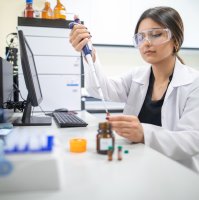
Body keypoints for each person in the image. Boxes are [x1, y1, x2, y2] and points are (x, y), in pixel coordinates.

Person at [69, 6, 199, 172]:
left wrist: (144, 133)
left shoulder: (194, 83)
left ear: (175, 40)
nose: (146, 43)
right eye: (141, 37)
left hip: (178, 172)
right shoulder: (136, 77)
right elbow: (99, 88)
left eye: (156, 34)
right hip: (140, 165)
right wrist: (89, 53)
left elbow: (192, 140)